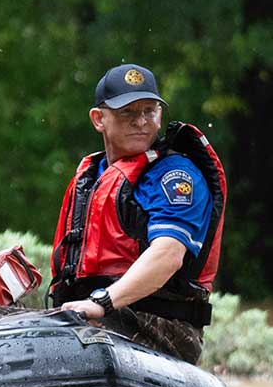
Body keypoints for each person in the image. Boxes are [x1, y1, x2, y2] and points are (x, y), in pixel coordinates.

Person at [49, 63, 226, 364]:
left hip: (161, 323)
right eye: (128, 112)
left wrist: (103, 302)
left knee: (76, 336)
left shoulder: (176, 175)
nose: (141, 122)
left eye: (150, 111)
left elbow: (167, 256)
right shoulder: (91, 177)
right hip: (89, 314)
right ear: (98, 119)